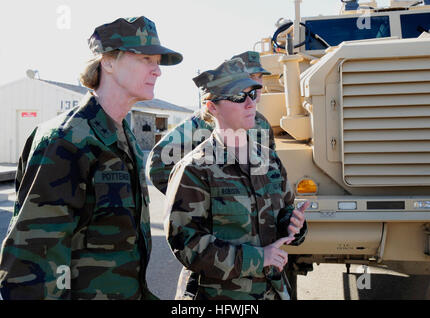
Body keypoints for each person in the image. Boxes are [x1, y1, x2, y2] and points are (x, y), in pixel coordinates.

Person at [0, 16, 182, 300]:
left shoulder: (124, 136)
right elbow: (31, 265)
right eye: (146, 59)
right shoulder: (66, 140)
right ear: (108, 62)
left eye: (157, 62)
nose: (157, 71)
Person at [165, 58, 308, 300]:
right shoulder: (195, 168)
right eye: (238, 97)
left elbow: (284, 212)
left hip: (272, 292)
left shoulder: (269, 160)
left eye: (252, 93)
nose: (251, 103)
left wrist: (293, 225)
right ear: (212, 107)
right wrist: (259, 258)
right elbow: (186, 245)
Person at [146, 51, 274, 196]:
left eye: (260, 76)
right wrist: (194, 199)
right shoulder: (203, 122)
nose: (256, 83)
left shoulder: (261, 123)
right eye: (251, 77)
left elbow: (268, 170)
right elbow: (157, 165)